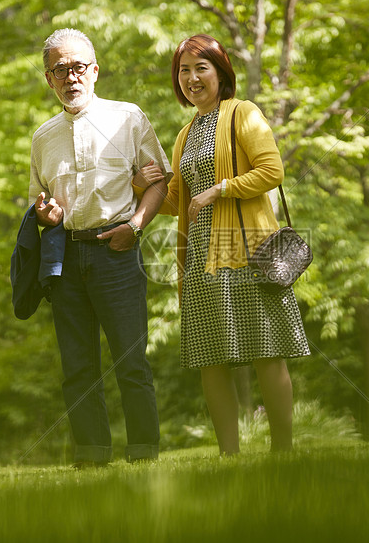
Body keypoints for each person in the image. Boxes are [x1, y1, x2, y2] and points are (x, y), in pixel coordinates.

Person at [135, 34, 310, 454]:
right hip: (199, 257)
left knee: (266, 350)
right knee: (210, 358)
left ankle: (283, 451)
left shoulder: (242, 113)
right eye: (184, 70)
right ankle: (228, 456)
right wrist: (146, 185)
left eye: (201, 68)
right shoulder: (185, 133)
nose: (192, 78)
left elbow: (272, 171)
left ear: (220, 72)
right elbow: (179, 201)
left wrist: (220, 189)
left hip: (247, 249)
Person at [29, 28, 172, 466]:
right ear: (49, 79)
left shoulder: (129, 118)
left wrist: (136, 224)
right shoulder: (42, 137)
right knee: (78, 367)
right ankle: (91, 456)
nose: (70, 78)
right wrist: (44, 217)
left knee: (131, 361)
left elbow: (160, 179)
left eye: (77, 68)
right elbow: (39, 202)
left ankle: (144, 453)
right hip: (66, 258)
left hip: (117, 249)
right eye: (60, 70)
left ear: (93, 71)